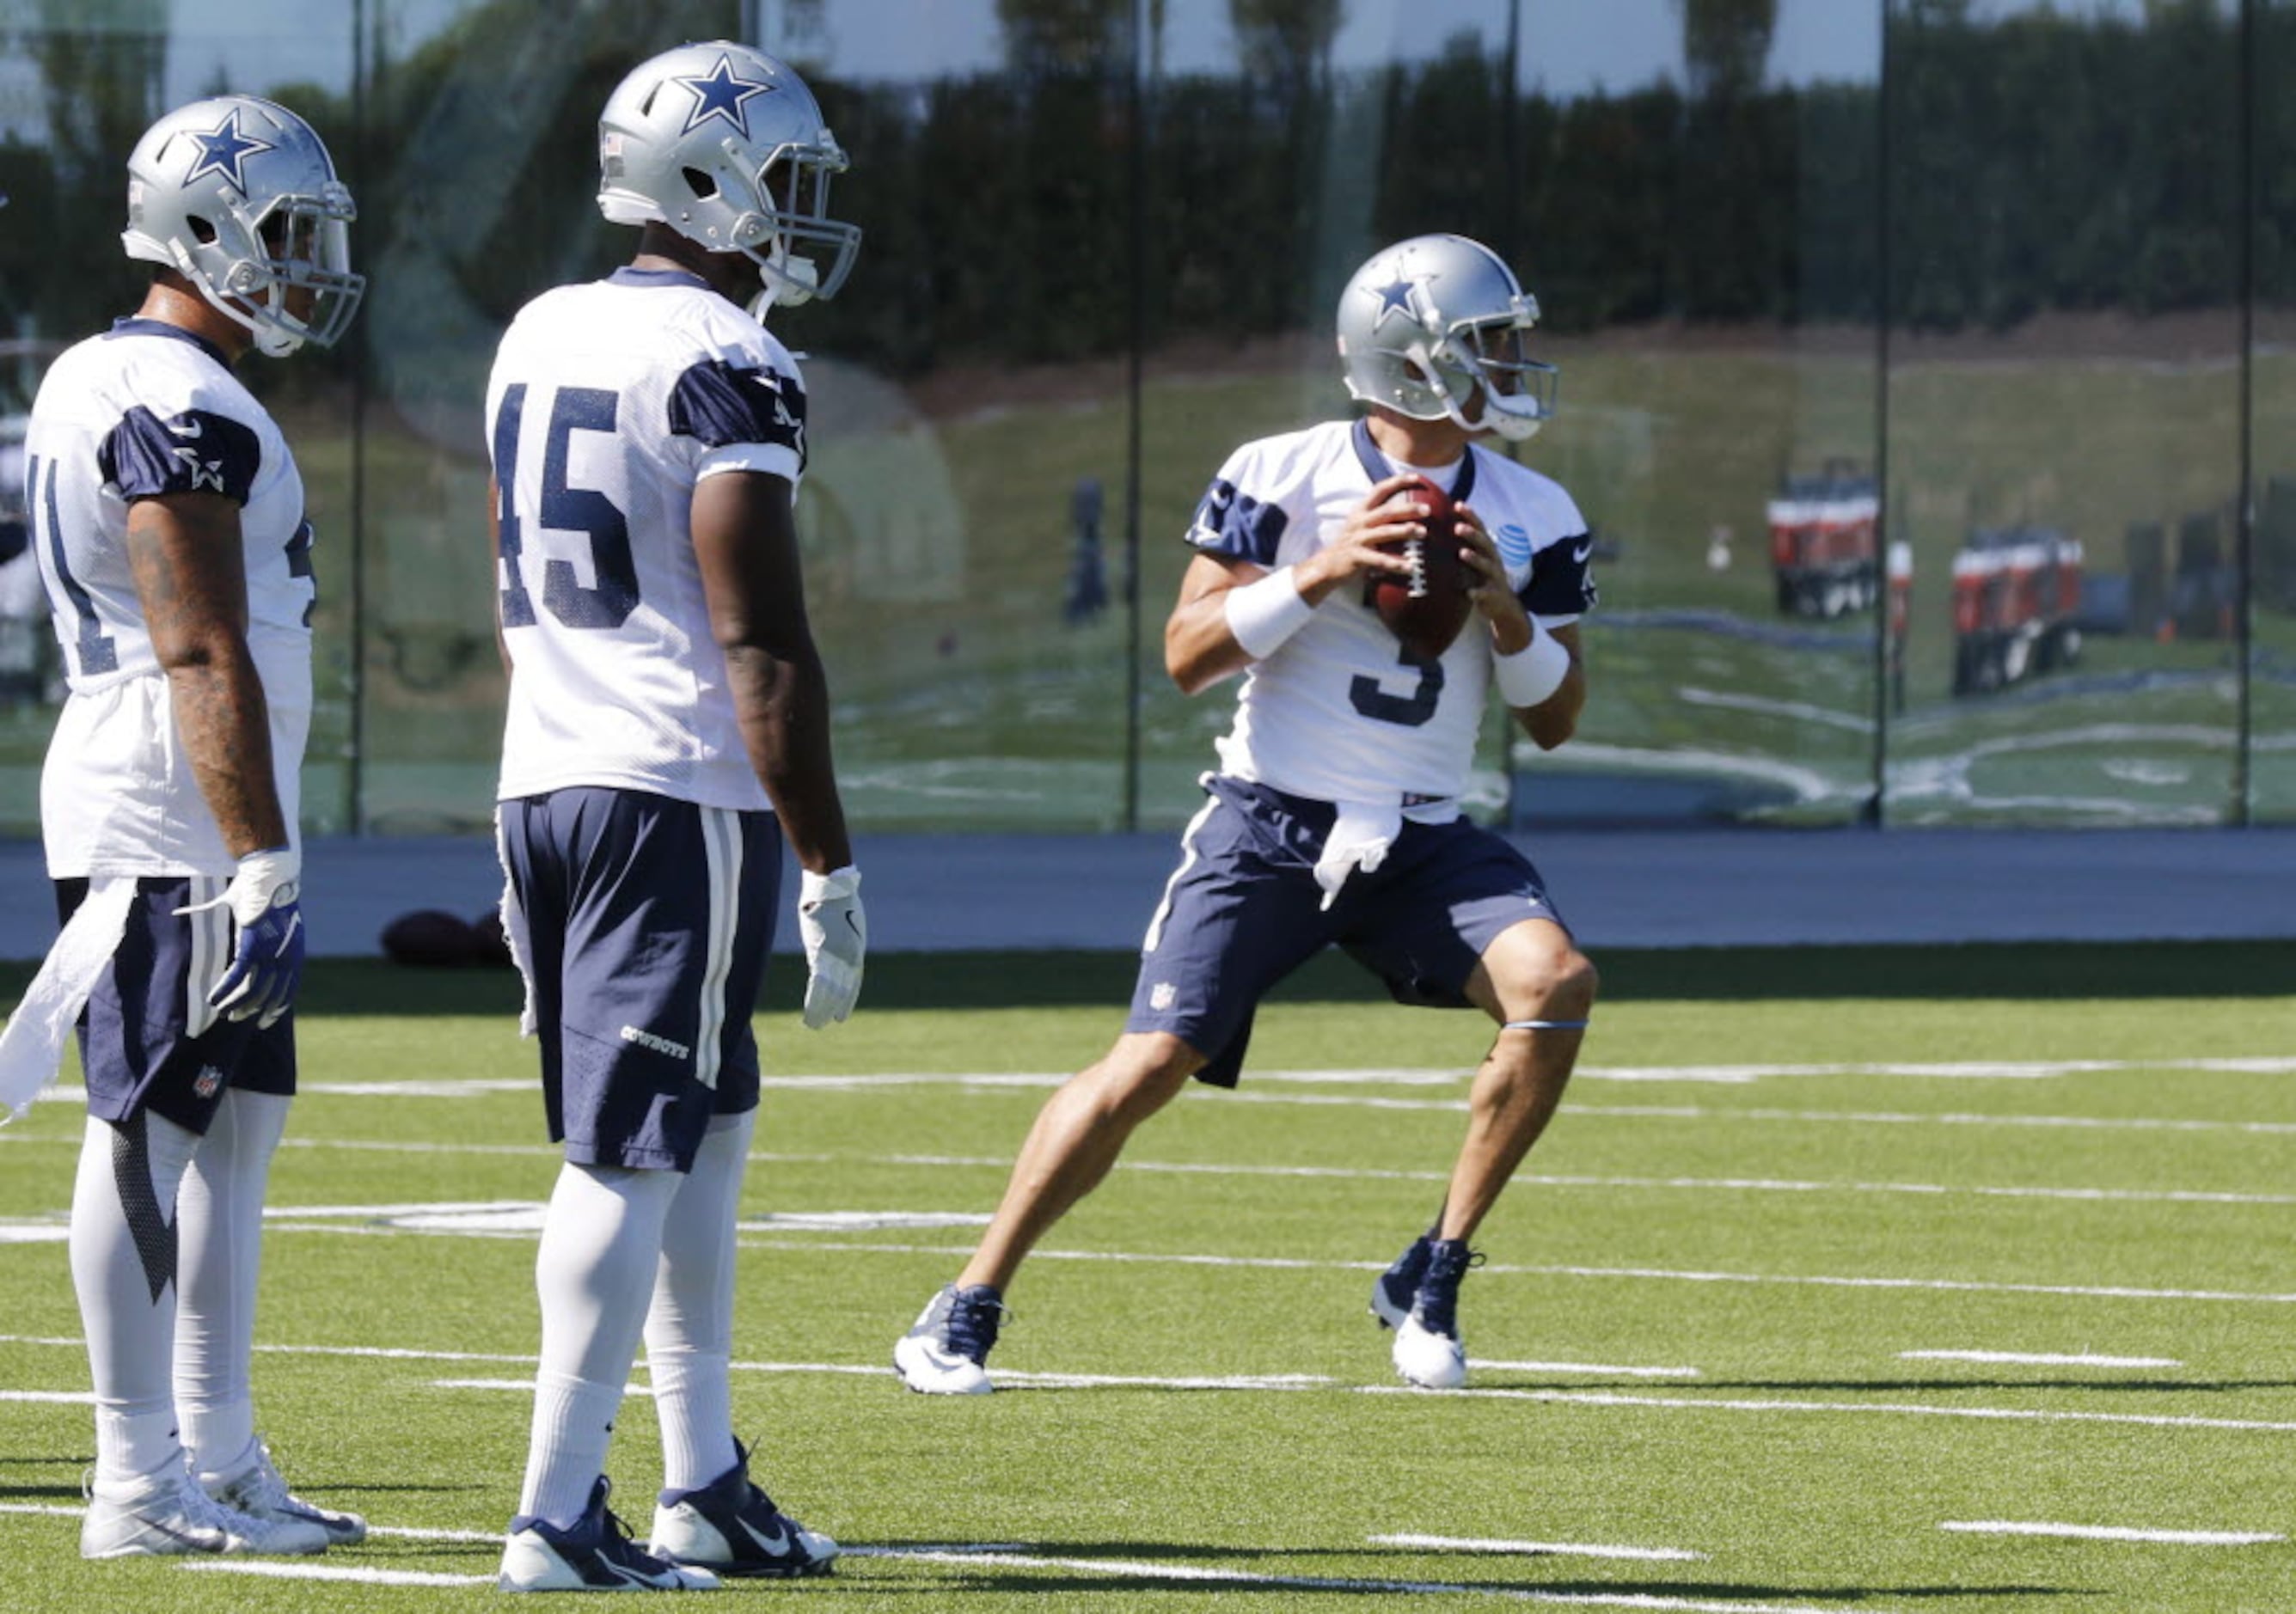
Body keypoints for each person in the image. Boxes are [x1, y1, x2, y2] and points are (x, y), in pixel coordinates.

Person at [896, 233, 1599, 1396]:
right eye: (1490, 343)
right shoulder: (1282, 470)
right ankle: (968, 1298)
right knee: (1150, 1062)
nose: (1515, 362)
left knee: (1556, 985)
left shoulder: (1535, 508)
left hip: (1423, 831)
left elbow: (1560, 718)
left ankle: (1436, 1268)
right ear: (1413, 360)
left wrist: (1508, 615)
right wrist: (1321, 572)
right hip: (1272, 821)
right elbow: (1185, 655)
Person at [484, 40, 866, 1593]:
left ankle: (701, 1479)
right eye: (786, 177)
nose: (805, 211)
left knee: (704, 1124)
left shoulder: (537, 325)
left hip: (552, 769)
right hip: (675, 790)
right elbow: (758, 636)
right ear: (706, 179)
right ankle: (557, 1510)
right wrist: (832, 856)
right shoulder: (731, 356)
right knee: (634, 1153)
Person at [0, 95, 367, 1556]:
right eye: (284, 234)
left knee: (235, 1131)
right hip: (171, 806)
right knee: (152, 1131)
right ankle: (137, 1478)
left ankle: (216, 1452)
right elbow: (200, 642)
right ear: (202, 227)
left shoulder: (128, 373)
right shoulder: (181, 401)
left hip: (180, 798)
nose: (306, 264)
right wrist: (260, 845)